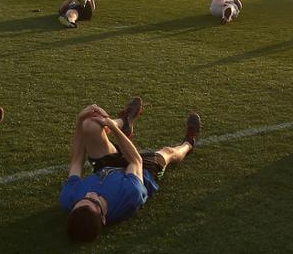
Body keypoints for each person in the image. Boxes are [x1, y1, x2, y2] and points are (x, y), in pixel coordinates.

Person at [61, 102, 201, 243]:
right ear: (103, 218)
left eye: (82, 200)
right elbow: (135, 161)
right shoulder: (129, 193)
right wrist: (112, 127)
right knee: (168, 152)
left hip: (106, 168)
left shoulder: (69, 198)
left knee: (89, 124)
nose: (89, 194)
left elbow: (77, 161)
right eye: (94, 201)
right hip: (141, 171)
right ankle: (189, 143)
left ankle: (125, 122)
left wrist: (79, 121)